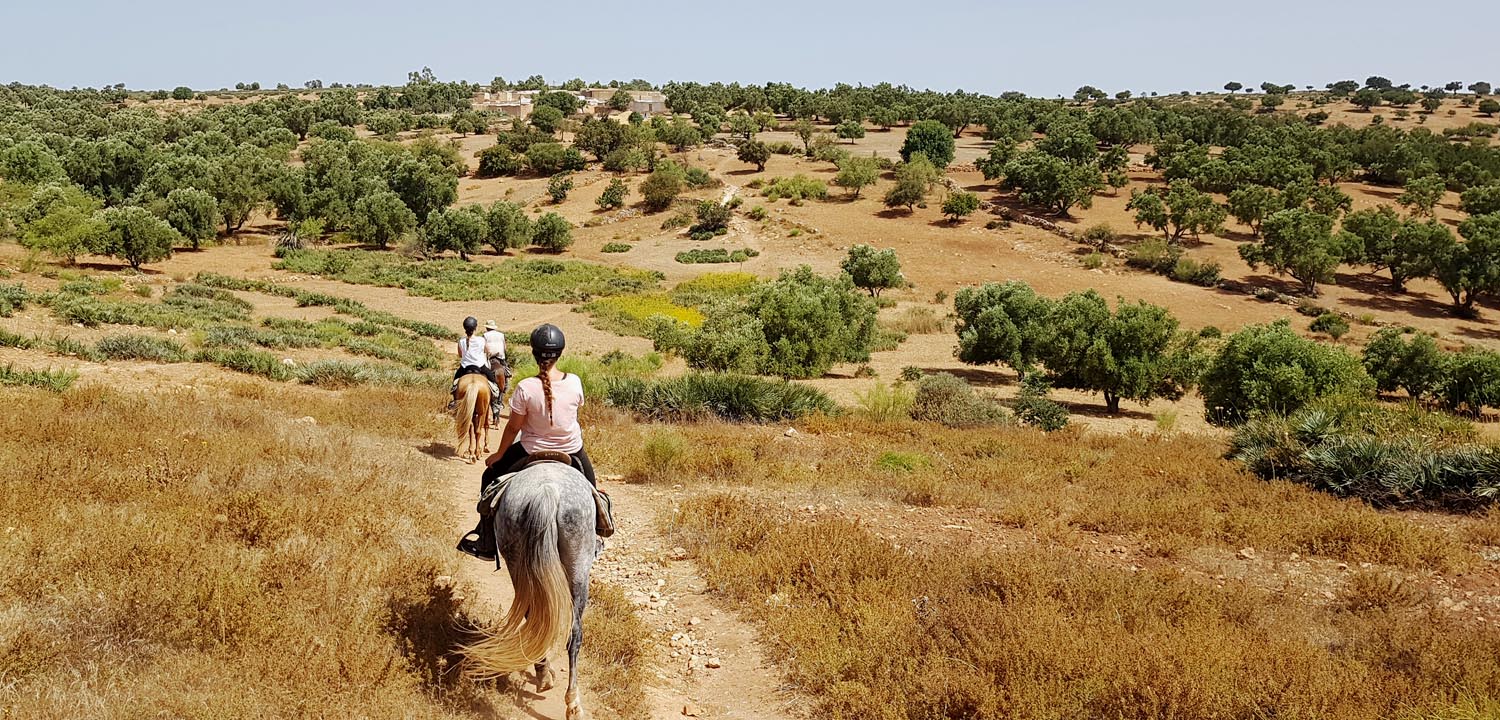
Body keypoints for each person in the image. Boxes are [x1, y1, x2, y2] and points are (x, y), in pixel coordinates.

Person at [457, 323, 597, 561]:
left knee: (488, 478)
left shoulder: (525, 387)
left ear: (534, 353)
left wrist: (499, 455)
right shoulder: (574, 382)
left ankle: (486, 541)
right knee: (593, 489)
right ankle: (597, 531)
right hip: (571, 449)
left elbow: (514, 427)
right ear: (560, 353)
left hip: (530, 449)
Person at [450, 316, 499, 409]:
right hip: (480, 367)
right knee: (494, 382)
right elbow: (487, 351)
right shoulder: (481, 340)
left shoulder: (461, 341)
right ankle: (495, 402)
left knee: (455, 384)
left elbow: (460, 355)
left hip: (465, 368)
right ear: (475, 328)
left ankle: (455, 401)